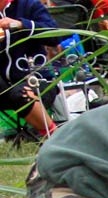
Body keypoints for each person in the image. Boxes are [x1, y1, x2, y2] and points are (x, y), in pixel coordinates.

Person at [0, 0, 59, 136]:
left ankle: (52, 134)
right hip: (4, 88)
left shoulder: (29, 5)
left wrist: (19, 24)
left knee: (20, 93)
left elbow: (55, 35)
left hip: (37, 82)